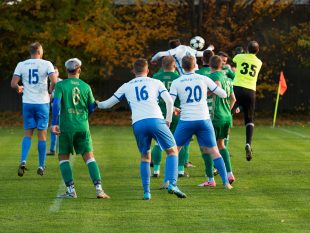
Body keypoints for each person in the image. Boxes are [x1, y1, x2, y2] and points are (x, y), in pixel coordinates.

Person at [96, 58, 186, 200]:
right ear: (148, 70)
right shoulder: (155, 82)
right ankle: (172, 184)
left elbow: (106, 105)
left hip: (138, 123)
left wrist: (95, 103)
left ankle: (147, 193)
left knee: (145, 157)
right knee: (172, 151)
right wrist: (168, 119)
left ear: (133, 71)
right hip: (156, 120)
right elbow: (169, 101)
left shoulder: (127, 85)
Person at [170, 55, 232, 189]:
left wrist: (174, 108)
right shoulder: (204, 78)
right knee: (215, 151)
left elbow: (170, 101)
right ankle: (226, 183)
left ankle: (171, 182)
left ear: (182, 66)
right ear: (195, 65)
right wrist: (208, 92)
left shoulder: (177, 81)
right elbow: (224, 94)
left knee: (174, 150)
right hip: (204, 119)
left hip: (186, 120)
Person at [51, 58, 110, 199]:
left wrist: (54, 123)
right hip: (82, 126)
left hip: (66, 125)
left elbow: (56, 104)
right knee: (89, 157)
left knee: (63, 157)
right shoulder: (86, 86)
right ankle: (99, 189)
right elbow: (91, 108)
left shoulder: (61, 85)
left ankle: (71, 191)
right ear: (79, 70)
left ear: (66, 70)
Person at [11, 42, 57, 177]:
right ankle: (41, 166)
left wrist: (19, 88)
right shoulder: (47, 64)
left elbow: (13, 83)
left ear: (30, 52)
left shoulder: (22, 64)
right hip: (42, 102)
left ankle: (23, 160)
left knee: (27, 134)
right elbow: (54, 80)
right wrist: (50, 90)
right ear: (40, 51)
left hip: (28, 103)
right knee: (42, 135)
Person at [199, 55, 236, 187]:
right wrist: (228, 110)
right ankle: (229, 173)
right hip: (226, 116)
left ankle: (210, 179)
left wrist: (204, 94)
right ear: (222, 65)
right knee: (221, 145)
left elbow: (217, 87)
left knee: (207, 147)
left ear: (209, 64)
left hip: (216, 116)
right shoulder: (227, 78)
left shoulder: (215, 77)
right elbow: (233, 99)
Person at [150, 56, 189, 178]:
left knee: (158, 143)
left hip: (159, 114)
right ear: (175, 66)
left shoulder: (155, 78)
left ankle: (156, 170)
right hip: (176, 114)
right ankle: (180, 170)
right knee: (179, 142)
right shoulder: (179, 78)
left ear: (162, 66)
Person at [232, 41, 263, 161]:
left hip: (237, 87)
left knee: (229, 111)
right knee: (249, 119)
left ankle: (222, 138)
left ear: (247, 49)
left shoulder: (240, 57)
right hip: (250, 90)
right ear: (258, 51)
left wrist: (241, 53)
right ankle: (248, 143)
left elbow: (235, 58)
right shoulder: (259, 62)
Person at [47, 66, 62, 156]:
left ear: (58, 73)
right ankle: (53, 150)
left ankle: (59, 150)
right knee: (54, 129)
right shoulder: (50, 83)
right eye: (53, 72)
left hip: (62, 110)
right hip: (55, 110)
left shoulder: (61, 83)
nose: (54, 74)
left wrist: (49, 97)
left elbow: (54, 98)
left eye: (56, 72)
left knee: (58, 129)